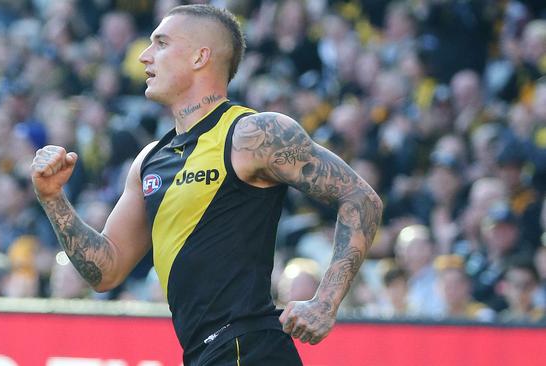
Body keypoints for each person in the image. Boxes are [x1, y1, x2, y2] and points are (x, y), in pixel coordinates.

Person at [31, 4, 382, 365]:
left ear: (201, 57)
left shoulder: (252, 133)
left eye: (161, 44)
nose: (145, 56)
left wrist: (325, 301)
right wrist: (53, 197)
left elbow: (361, 198)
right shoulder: (150, 160)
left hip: (249, 346)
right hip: (204, 353)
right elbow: (106, 271)